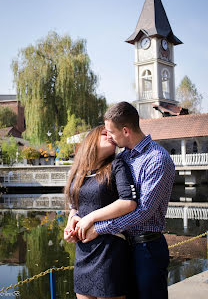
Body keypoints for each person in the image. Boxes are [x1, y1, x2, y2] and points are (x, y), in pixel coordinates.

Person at [74, 102, 175, 299]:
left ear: (126, 131)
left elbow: (143, 211)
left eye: (111, 132)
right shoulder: (123, 157)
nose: (109, 137)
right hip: (121, 248)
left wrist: (99, 227)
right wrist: (75, 214)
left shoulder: (157, 159)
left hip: (147, 249)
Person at [64, 125, 137, 299]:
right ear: (92, 140)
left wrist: (90, 219)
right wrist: (71, 222)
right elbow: (74, 205)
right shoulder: (79, 170)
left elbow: (128, 202)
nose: (110, 135)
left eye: (112, 133)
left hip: (109, 250)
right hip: (84, 251)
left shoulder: (116, 165)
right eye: (105, 133)